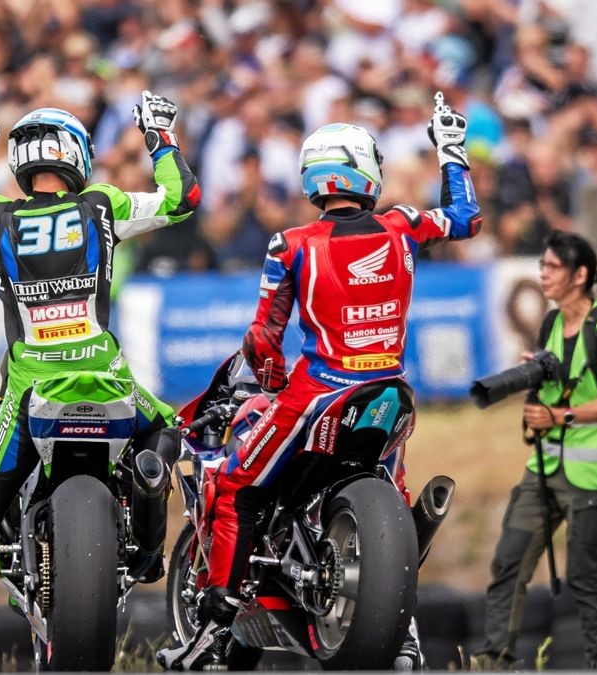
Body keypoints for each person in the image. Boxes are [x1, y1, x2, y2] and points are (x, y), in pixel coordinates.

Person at [156, 94, 482, 671]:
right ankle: (402, 633)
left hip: (317, 396)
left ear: (315, 179)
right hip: (389, 393)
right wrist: (450, 150)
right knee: (396, 500)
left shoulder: (291, 246)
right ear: (366, 172)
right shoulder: (403, 225)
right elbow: (466, 219)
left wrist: (273, 380)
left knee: (234, 487)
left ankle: (213, 629)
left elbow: (263, 339)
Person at [0, 93, 199, 672]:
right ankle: (147, 509)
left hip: (30, 389)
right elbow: (182, 198)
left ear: (20, 160)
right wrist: (161, 137)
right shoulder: (104, 206)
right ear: (77, 157)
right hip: (107, 379)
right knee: (171, 430)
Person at [476, 232, 597, 669]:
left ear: (581, 275)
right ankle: (493, 661)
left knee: (584, 578)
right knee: (508, 562)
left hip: (594, 474)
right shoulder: (552, 323)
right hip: (544, 466)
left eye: (553, 266)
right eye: (541, 265)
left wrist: (559, 417)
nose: (542, 272)